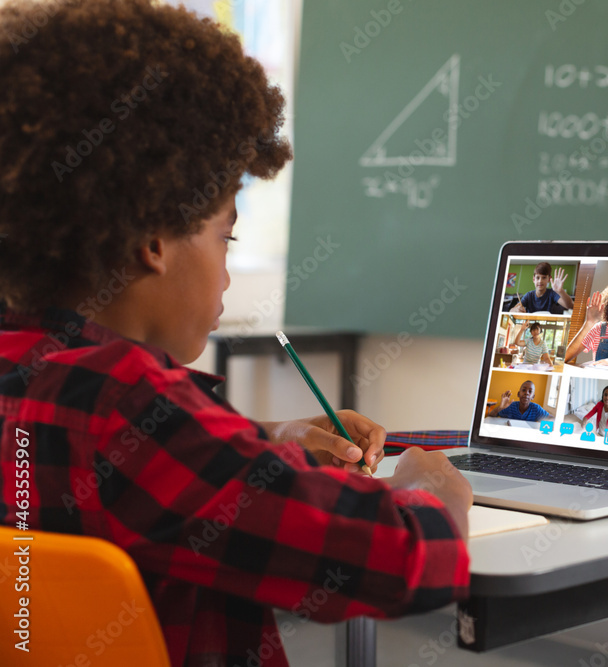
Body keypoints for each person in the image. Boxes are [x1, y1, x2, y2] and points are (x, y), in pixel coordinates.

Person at [0, 2, 472, 665]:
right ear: (154, 239)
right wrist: (432, 492)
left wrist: (264, 440)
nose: (226, 268)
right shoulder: (133, 407)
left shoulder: (38, 375)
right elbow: (400, 561)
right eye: (227, 234)